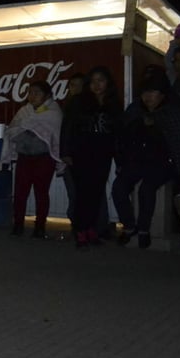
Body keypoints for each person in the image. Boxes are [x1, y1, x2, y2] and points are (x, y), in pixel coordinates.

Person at [113, 73, 180, 249]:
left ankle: (144, 230)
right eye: (145, 92)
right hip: (136, 161)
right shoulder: (135, 111)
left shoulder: (172, 112)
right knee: (118, 187)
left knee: (146, 189)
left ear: (162, 94)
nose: (148, 97)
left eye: (153, 92)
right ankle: (129, 226)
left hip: (164, 162)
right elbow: (122, 138)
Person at [60, 66, 122, 249]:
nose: (96, 85)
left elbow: (118, 133)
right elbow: (67, 127)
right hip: (81, 151)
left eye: (101, 80)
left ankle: (91, 229)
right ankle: (80, 230)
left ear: (108, 83)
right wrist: (66, 152)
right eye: (93, 81)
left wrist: (119, 158)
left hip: (103, 152)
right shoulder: (78, 101)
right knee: (82, 193)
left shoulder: (113, 104)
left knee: (96, 193)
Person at [0, 80, 63, 239]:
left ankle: (40, 227)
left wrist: (30, 129)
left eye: (37, 93)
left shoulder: (54, 112)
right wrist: (25, 131)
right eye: (30, 92)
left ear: (47, 95)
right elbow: (13, 129)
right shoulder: (24, 111)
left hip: (44, 158)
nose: (32, 96)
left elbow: (55, 135)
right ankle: (18, 225)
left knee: (41, 193)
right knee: (20, 192)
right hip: (25, 157)